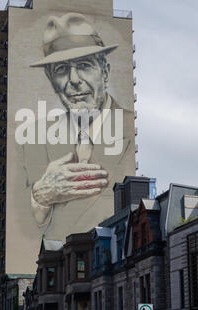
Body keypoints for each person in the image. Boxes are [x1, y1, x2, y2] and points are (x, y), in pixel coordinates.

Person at [19, 12, 135, 239]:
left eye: (84, 65)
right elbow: (25, 227)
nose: (74, 79)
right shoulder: (35, 136)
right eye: (61, 70)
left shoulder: (128, 127)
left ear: (105, 72)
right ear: (52, 81)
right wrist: (40, 197)